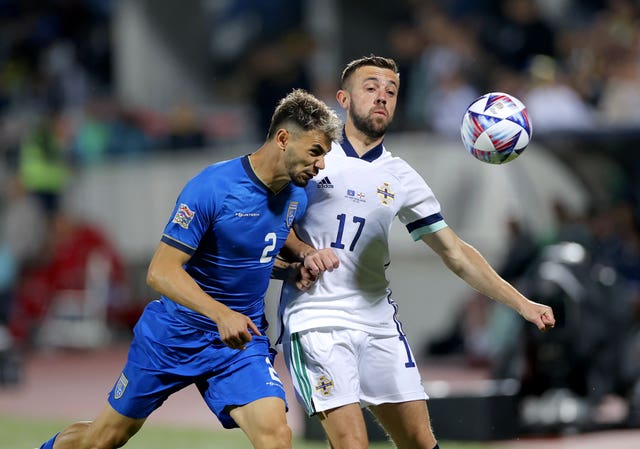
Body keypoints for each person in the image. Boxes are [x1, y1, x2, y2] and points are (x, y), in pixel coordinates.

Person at [37, 88, 342, 449]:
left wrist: (301, 257)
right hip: (174, 336)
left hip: (239, 343)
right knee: (102, 439)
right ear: (282, 138)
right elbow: (160, 272)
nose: (321, 164)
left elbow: (263, 243)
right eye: (315, 151)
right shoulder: (212, 187)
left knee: (276, 436)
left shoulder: (296, 195)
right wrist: (219, 314)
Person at [276, 55, 556, 449]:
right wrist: (301, 253)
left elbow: (455, 252)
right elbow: (265, 222)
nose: (382, 97)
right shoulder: (311, 157)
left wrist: (522, 303)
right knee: (352, 443)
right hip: (316, 319)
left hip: (377, 323)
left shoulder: (402, 177)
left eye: (390, 91)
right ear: (343, 98)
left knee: (421, 442)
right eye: (370, 88)